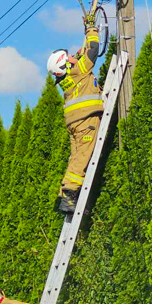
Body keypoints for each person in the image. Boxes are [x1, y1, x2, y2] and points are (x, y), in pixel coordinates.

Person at [47, 21, 103, 214]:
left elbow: (81, 58)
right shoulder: (79, 70)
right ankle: (70, 193)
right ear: (65, 63)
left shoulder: (69, 77)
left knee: (75, 158)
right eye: (69, 56)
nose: (72, 56)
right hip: (85, 121)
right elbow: (94, 50)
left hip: (74, 123)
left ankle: (65, 195)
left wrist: (80, 52)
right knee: (82, 157)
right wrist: (92, 30)